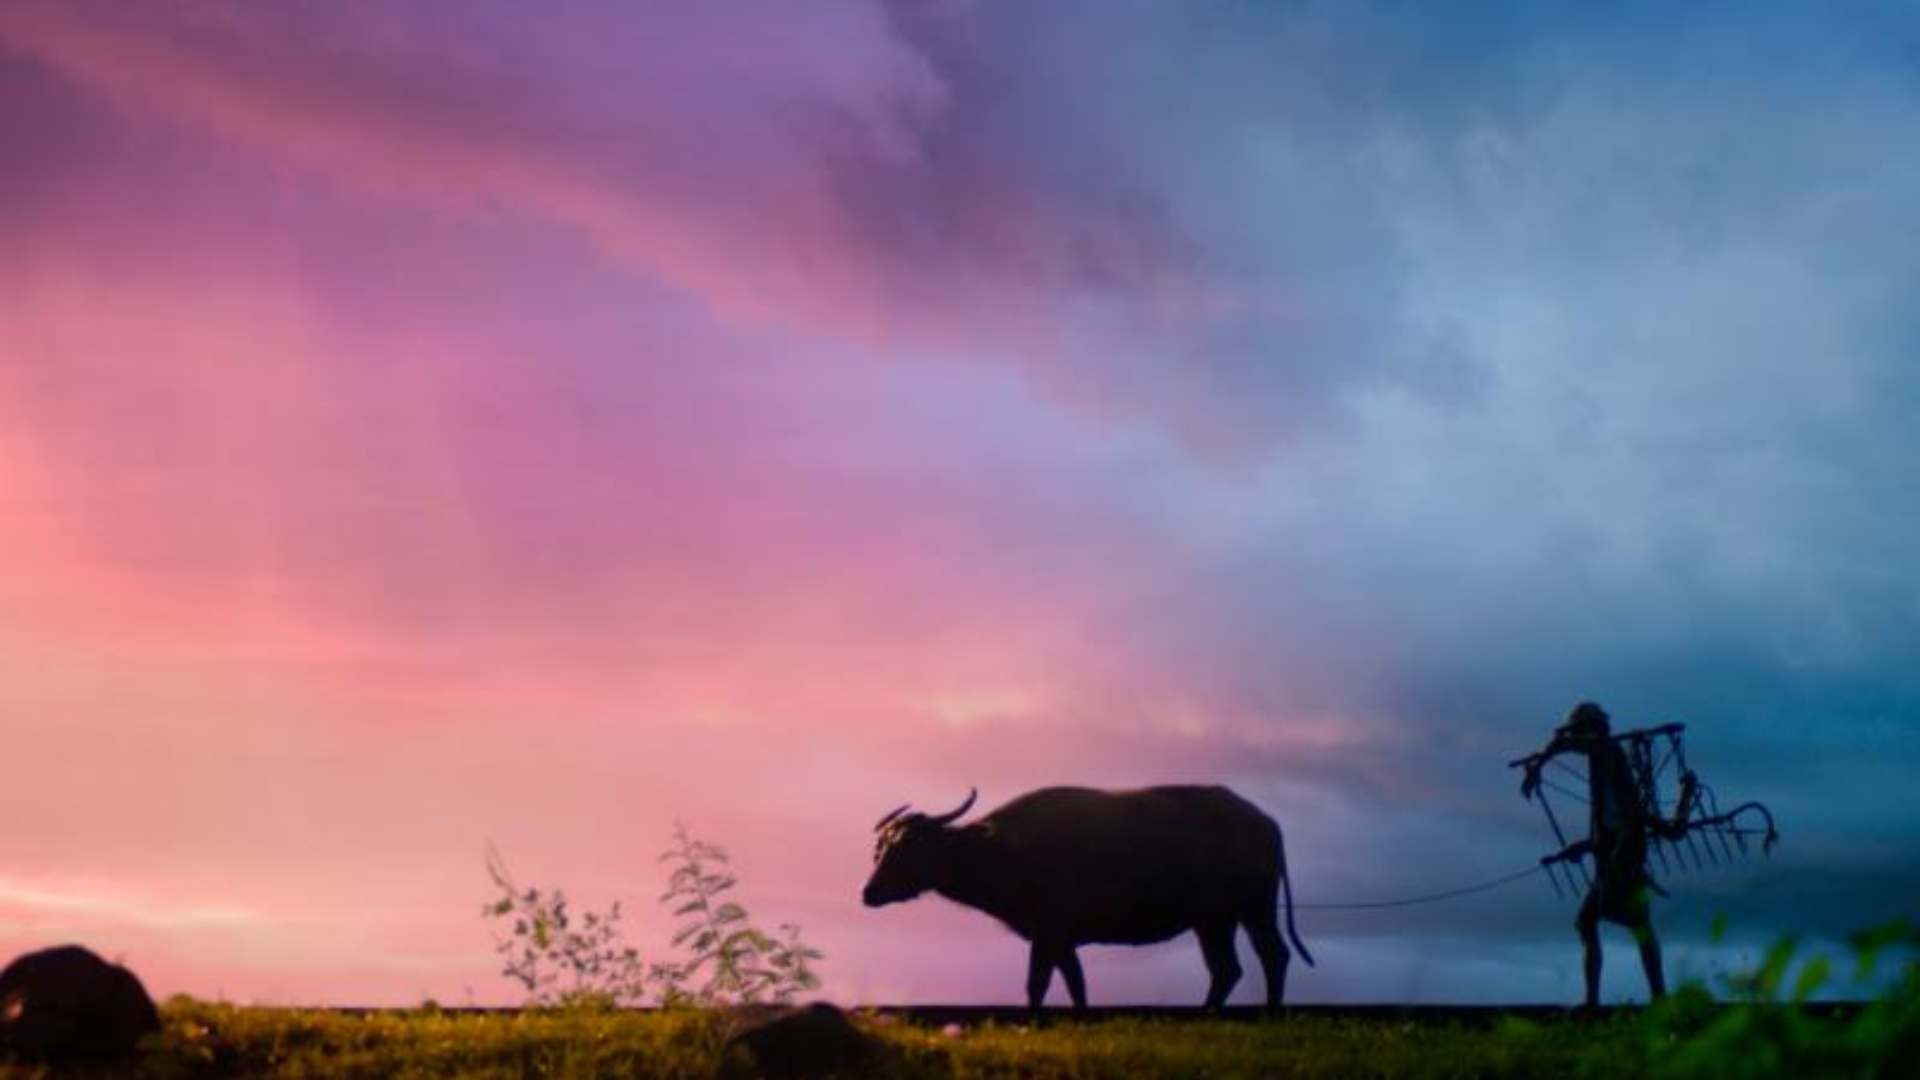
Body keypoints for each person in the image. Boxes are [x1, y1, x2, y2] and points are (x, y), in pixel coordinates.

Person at [1520, 701, 1665, 1007]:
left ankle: (1639, 999)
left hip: (1624, 855)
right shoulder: (1601, 760)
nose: (1576, 744)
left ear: (1591, 731)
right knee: (1594, 922)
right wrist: (1582, 847)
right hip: (1613, 853)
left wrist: (1540, 762)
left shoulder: (1608, 753)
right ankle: (1603, 1000)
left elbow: (1628, 820)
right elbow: (1608, 823)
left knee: (1624, 924)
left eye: (1579, 733)